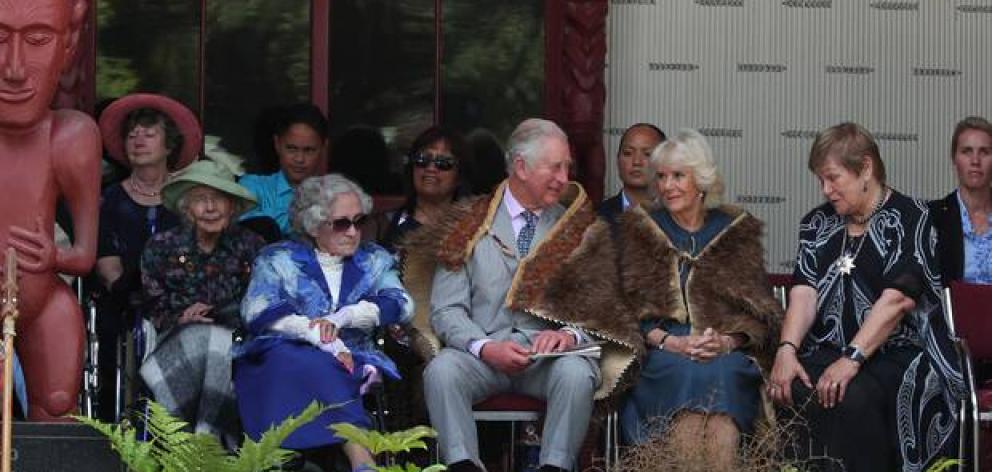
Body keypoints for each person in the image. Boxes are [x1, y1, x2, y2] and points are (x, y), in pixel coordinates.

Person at [411, 119, 610, 472]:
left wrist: (567, 334)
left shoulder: (577, 227)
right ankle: (463, 466)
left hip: (547, 361)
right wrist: (486, 348)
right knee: (441, 371)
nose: (565, 179)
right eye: (555, 167)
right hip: (483, 355)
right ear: (521, 166)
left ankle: (555, 467)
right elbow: (446, 311)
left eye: (568, 168)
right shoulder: (467, 223)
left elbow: (599, 310)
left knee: (578, 374)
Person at [767, 123, 964, 472]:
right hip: (826, 349)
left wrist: (852, 358)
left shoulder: (912, 218)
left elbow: (898, 300)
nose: (825, 190)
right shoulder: (817, 224)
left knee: (852, 395)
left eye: (833, 178)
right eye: (820, 180)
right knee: (791, 387)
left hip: (896, 352)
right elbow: (803, 292)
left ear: (866, 170)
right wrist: (786, 350)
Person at [595, 129, 779, 469]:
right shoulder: (641, 229)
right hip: (661, 353)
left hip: (724, 352)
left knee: (721, 379)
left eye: (678, 176)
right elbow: (626, 311)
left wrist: (726, 341)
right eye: (662, 177)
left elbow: (759, 315)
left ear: (701, 180)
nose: (667, 186)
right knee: (686, 376)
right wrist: (671, 343)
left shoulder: (736, 231)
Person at [233, 174, 413, 471]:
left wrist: (345, 317)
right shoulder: (278, 259)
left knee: (330, 364)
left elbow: (402, 303)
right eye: (342, 223)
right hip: (281, 351)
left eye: (360, 221)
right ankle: (359, 452)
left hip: (354, 355)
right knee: (298, 360)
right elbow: (256, 309)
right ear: (314, 225)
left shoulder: (375, 259)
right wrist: (314, 332)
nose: (354, 232)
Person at [0, 0, 101, 420]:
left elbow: (85, 256)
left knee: (59, 403)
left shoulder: (72, 137)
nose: (15, 68)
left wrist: (54, 255)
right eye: (0, 39)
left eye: (39, 39)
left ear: (69, 44)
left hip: (43, 303)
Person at [138, 156, 264, 441]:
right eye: (200, 199)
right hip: (176, 341)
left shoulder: (252, 246)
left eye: (219, 199)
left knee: (219, 344)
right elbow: (152, 303)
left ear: (232, 206)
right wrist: (181, 318)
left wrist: (219, 315)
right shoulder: (161, 246)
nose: (210, 208)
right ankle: (211, 441)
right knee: (214, 344)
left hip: (239, 346)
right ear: (187, 208)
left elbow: (260, 302)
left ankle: (203, 441)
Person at [93, 93, 201, 420]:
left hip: (182, 301)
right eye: (131, 134)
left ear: (169, 145)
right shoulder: (108, 198)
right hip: (126, 301)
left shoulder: (190, 199)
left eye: (149, 133)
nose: (138, 140)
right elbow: (107, 264)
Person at [239, 103, 328, 237]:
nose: (299, 159)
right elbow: (249, 235)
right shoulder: (253, 187)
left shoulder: (335, 194)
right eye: (291, 149)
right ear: (277, 144)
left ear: (323, 148)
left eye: (309, 150)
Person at [381, 126, 470, 251]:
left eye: (443, 162)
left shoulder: (471, 229)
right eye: (422, 159)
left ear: (459, 176)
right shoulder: (383, 224)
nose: (431, 168)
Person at [931, 116, 992, 286]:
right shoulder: (932, 218)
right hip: (954, 312)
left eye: (984, 152)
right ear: (954, 159)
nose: (975, 161)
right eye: (967, 151)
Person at [598, 123, 666, 221]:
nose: (636, 162)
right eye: (628, 153)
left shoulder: (677, 215)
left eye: (647, 154)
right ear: (617, 160)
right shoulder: (597, 217)